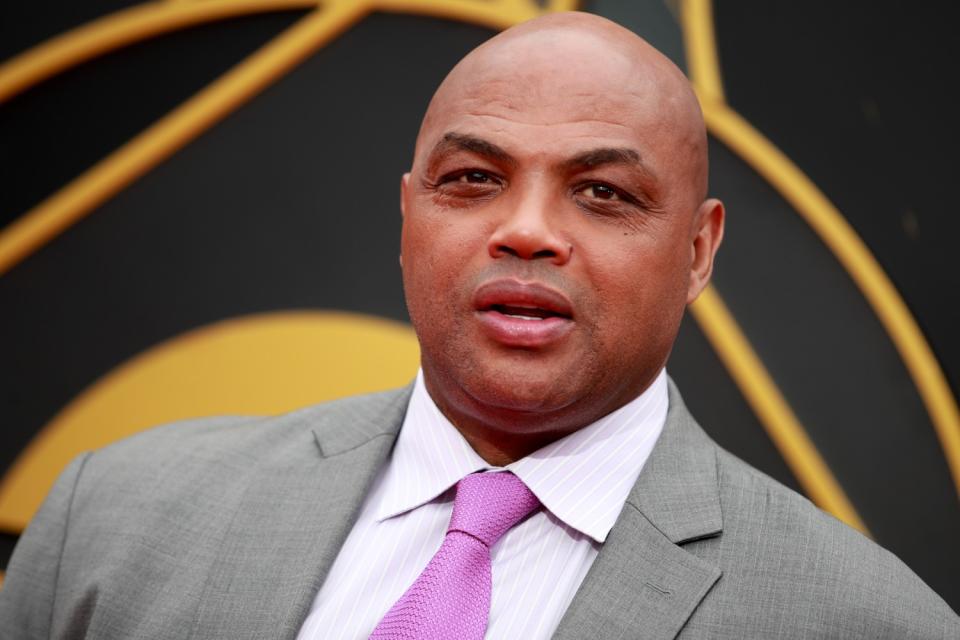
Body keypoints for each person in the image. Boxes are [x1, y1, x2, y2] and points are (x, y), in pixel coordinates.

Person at [1, 11, 957, 640]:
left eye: (603, 192)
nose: (529, 230)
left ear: (700, 252)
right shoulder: (114, 519)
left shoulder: (867, 624)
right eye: (473, 180)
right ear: (409, 216)